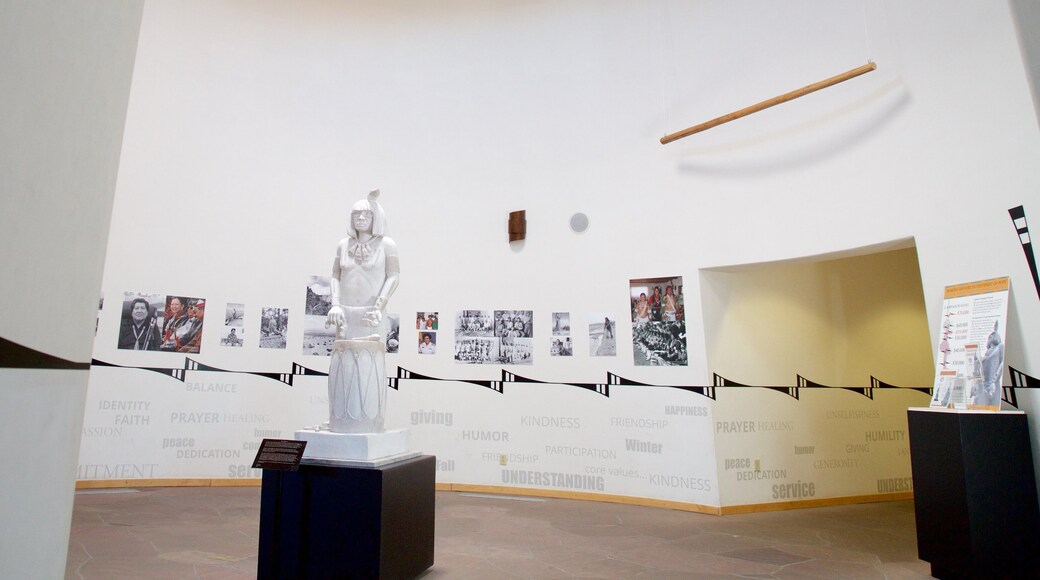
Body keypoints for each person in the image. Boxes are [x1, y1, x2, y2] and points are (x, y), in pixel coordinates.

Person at [324, 189, 400, 433]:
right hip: (345, 313)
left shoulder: (387, 245)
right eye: (356, 214)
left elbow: (394, 277)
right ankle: (341, 422)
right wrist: (335, 303)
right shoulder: (343, 245)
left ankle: (369, 423)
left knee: (370, 367)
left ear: (375, 217)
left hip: (372, 314)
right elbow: (335, 275)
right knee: (343, 367)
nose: (360, 218)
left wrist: (380, 305)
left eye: (366, 214)